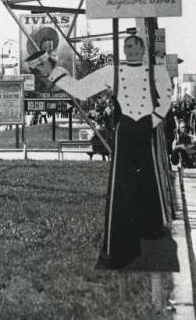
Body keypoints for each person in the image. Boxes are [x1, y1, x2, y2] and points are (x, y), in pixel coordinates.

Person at [26, 34, 174, 270]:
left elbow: (167, 95)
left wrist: (155, 118)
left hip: (145, 125)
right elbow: (81, 89)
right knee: (122, 183)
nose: (131, 50)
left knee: (148, 175)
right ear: (123, 51)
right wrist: (50, 70)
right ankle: (122, 243)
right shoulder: (112, 72)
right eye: (127, 46)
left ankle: (152, 228)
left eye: (135, 46)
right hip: (125, 128)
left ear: (143, 49)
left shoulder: (156, 71)